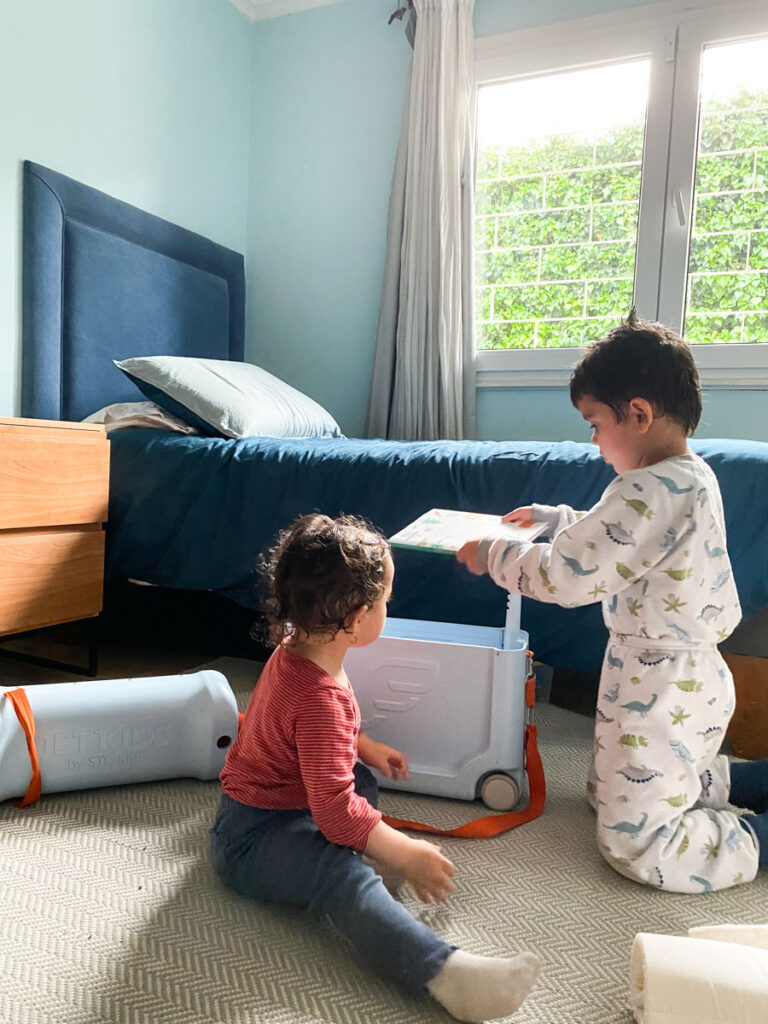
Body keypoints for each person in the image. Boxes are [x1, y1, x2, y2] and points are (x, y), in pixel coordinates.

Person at [457, 311, 768, 894]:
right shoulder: (684, 478)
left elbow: (570, 578)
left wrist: (495, 556)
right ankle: (744, 783)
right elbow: (620, 540)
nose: (593, 440)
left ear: (640, 414)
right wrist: (555, 519)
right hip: (669, 672)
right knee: (613, 787)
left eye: (595, 423)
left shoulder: (651, 488)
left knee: (635, 844)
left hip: (666, 682)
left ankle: (756, 838)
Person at [210, 512, 539, 1022]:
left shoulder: (296, 650)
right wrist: (404, 851)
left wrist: (361, 745)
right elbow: (336, 812)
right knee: (339, 874)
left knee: (360, 778)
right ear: (358, 617)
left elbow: (302, 735)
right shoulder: (320, 696)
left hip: (276, 804)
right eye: (386, 600)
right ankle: (444, 973)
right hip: (250, 840)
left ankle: (370, 868)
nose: (388, 607)